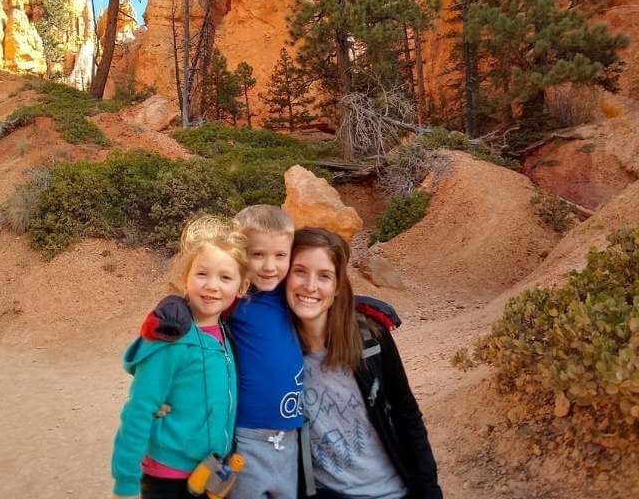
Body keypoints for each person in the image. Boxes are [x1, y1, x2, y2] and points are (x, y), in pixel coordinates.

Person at [140, 205, 305, 499]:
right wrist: (172, 305)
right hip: (244, 437)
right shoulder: (235, 299)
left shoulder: (289, 292)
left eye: (280, 255)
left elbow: (319, 295)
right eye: (258, 255)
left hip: (288, 440)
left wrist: (357, 306)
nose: (270, 266)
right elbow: (198, 301)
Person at [286, 227, 442, 499]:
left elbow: (406, 412)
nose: (310, 286)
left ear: (336, 288)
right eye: (300, 271)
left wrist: (429, 490)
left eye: (324, 276)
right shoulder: (272, 352)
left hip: (395, 490)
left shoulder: (370, 337)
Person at [111, 215, 250, 499]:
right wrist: (125, 484)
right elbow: (139, 411)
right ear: (184, 277)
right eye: (202, 274)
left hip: (210, 471)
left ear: (242, 286)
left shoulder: (224, 330)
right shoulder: (172, 338)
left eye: (225, 277)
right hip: (167, 476)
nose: (212, 285)